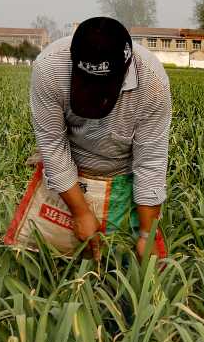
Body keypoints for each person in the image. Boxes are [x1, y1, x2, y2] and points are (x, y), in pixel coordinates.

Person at [30, 16, 172, 260]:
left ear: (125, 71)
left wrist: (147, 235)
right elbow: (52, 145)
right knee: (55, 259)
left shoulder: (152, 82)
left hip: (122, 175)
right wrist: (80, 211)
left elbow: (150, 161)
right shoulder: (49, 69)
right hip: (69, 174)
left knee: (120, 264)